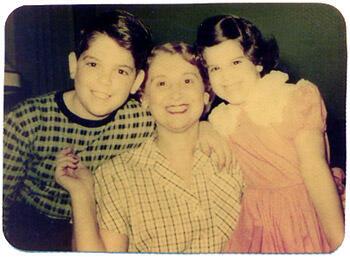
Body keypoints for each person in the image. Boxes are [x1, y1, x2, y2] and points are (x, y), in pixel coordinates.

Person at [3, 10, 231, 251]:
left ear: (136, 81)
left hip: (97, 226)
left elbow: (177, 116)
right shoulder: (25, 121)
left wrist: (207, 126)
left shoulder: (140, 117)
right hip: (32, 230)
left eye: (121, 71)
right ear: (73, 65)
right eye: (93, 64)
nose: (105, 81)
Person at [55, 42, 244, 253]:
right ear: (144, 98)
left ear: (206, 94)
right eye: (161, 84)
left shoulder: (237, 154)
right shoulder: (116, 175)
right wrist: (82, 196)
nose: (176, 94)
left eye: (188, 80)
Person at [194, 14, 345, 253]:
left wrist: (339, 242)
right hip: (256, 221)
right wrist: (201, 127)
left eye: (235, 63)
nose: (226, 76)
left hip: (304, 210)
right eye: (215, 68)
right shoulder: (222, 118)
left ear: (257, 61)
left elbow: (315, 171)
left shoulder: (292, 98)